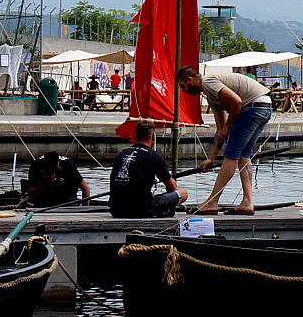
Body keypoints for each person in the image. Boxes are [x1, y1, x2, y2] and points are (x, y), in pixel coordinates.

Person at [178, 66, 273, 215]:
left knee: (231, 156)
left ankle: (212, 202)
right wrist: (211, 158)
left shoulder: (208, 82)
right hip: (264, 105)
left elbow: (237, 101)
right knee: (244, 155)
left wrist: (228, 126)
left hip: (252, 106)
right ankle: (247, 202)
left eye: (182, 86)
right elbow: (220, 130)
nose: (183, 91)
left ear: (189, 80)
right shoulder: (211, 95)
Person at [108, 121, 188, 218]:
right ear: (153, 136)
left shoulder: (121, 154)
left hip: (116, 210)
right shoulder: (154, 156)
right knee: (183, 192)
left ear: (135, 136)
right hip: (143, 210)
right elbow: (171, 187)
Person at [26, 150, 91, 207]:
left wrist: (85, 208)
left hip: (67, 198)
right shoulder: (36, 166)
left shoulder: (67, 165)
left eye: (56, 170)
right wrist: (43, 183)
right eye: (50, 171)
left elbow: (85, 188)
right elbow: (30, 191)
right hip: (44, 199)